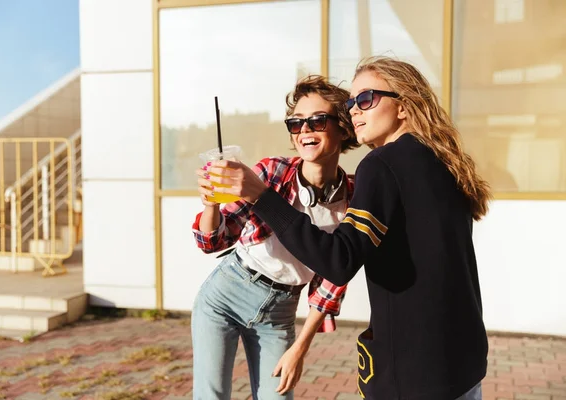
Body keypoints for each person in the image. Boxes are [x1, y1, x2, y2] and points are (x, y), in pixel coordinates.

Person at [206, 56, 492, 400]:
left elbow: (338, 260)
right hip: (463, 363)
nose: (354, 110)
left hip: (414, 374)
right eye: (352, 102)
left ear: (404, 106)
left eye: (366, 99)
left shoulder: (383, 164)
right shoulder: (445, 161)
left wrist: (262, 197)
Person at [191, 75, 360, 399]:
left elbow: (333, 284)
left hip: (280, 313)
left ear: (344, 128)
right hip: (225, 295)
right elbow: (213, 242)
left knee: (277, 396)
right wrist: (211, 203)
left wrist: (300, 347)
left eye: (317, 121)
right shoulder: (273, 172)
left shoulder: (353, 199)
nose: (305, 131)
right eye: (296, 124)